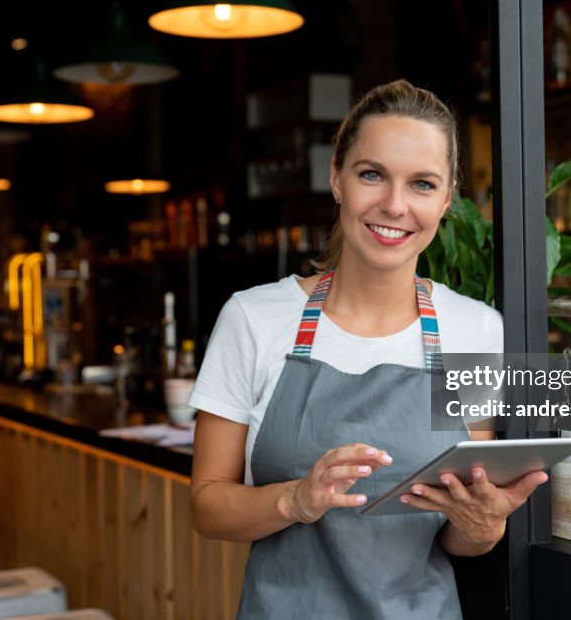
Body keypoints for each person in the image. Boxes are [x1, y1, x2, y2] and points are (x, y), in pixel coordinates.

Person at [188, 79, 547, 619]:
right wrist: (295, 499)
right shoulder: (254, 318)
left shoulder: (476, 332)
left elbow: (458, 536)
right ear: (337, 178)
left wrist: (484, 527)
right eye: (372, 174)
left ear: (448, 198)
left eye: (422, 184)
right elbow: (208, 506)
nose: (394, 205)